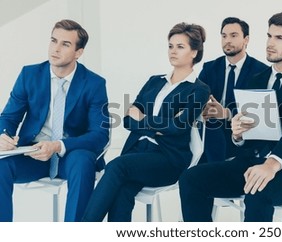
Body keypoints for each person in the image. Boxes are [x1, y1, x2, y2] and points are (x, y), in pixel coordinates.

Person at [179, 11, 282, 222]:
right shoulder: (257, 79)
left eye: (279, 38)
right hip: (253, 162)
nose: (270, 43)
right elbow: (250, 135)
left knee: (257, 191)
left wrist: (272, 164)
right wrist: (238, 135)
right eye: (269, 36)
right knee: (191, 178)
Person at [81, 22, 210, 222]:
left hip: (168, 158)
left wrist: (143, 120)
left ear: (194, 52)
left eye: (180, 47)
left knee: (116, 166)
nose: (173, 51)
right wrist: (158, 126)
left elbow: (178, 127)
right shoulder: (154, 81)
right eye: (170, 46)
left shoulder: (198, 90)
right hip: (138, 151)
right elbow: (127, 119)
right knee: (122, 190)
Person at [0, 19, 110, 222]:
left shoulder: (94, 84)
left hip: (70, 155)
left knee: (83, 161)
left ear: (78, 52)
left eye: (65, 44)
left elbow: (100, 135)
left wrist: (58, 146)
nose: (55, 49)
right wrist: (3, 135)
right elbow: (9, 117)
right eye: (53, 41)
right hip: (33, 154)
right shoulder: (29, 75)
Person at [199, 17, 267, 164]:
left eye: (233, 35)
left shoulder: (261, 72)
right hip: (210, 130)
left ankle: (213, 172)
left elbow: (259, 112)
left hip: (241, 133)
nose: (227, 40)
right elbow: (196, 97)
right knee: (210, 123)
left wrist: (226, 113)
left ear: (246, 39)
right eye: (224, 36)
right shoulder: (209, 68)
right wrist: (203, 109)